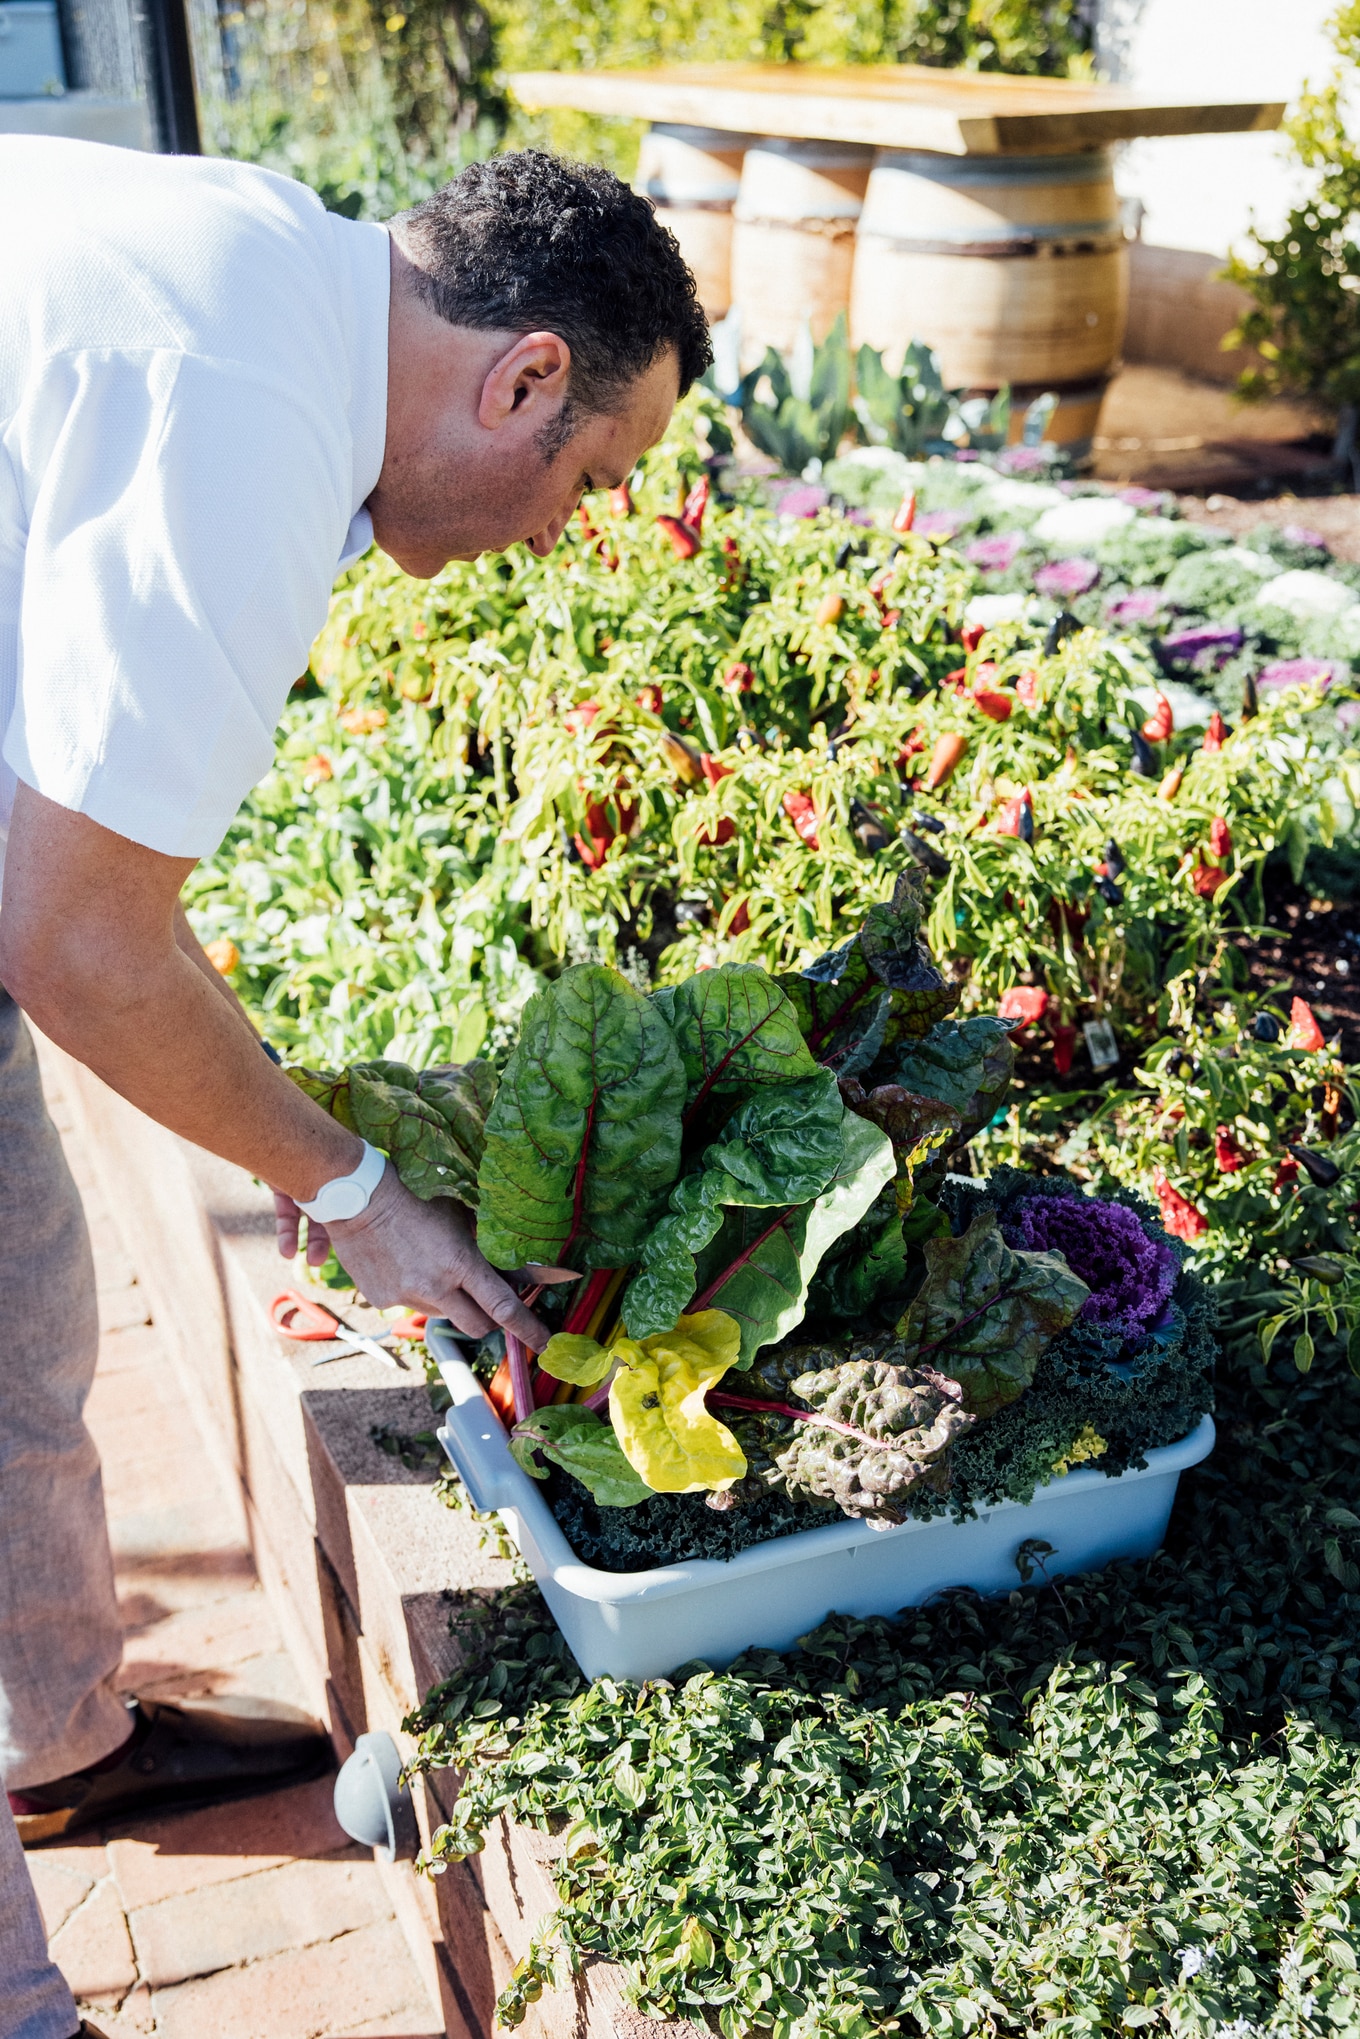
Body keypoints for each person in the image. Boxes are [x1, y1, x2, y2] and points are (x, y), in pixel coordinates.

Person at [0, 135, 710, 2038]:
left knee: (19, 1305)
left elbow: (78, 888)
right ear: (527, 375)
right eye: (590, 474)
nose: (569, 523)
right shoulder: (241, 413)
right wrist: (353, 1193)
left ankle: (58, 1735)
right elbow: (75, 945)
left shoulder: (275, 276)